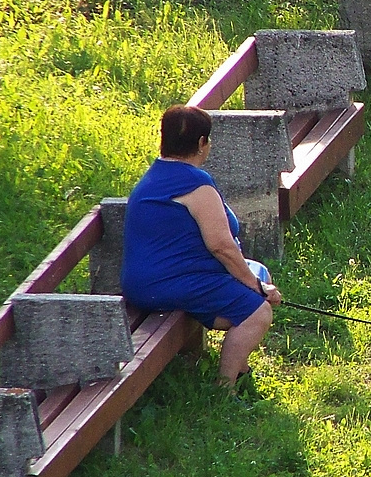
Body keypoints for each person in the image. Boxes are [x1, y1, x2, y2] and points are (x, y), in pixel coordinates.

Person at [120, 105, 282, 394]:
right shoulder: (195, 184)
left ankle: (240, 367)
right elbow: (221, 246)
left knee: (259, 271)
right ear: (201, 144)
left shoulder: (157, 176)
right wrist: (255, 288)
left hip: (155, 280)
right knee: (257, 312)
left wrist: (254, 279)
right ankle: (226, 389)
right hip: (167, 283)